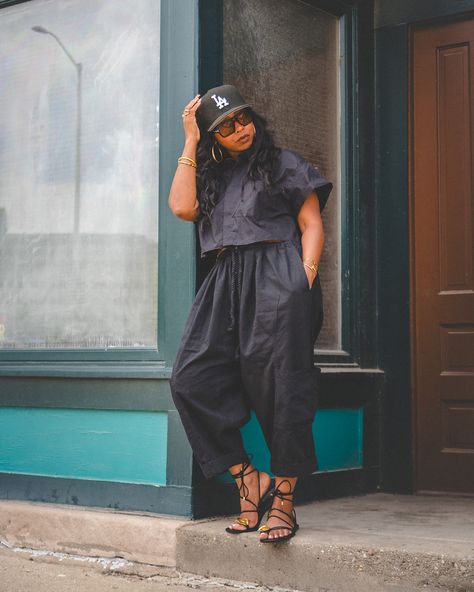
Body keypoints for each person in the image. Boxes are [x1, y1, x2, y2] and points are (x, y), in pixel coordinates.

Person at [168, 85, 332, 543]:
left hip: (278, 272)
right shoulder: (211, 176)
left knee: (283, 384)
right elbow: (182, 207)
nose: (239, 130)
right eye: (224, 127)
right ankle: (248, 480)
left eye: (243, 119)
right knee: (190, 378)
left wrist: (303, 280)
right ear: (212, 137)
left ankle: (282, 501)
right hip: (224, 277)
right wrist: (189, 140)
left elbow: (312, 224)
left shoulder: (283, 164)